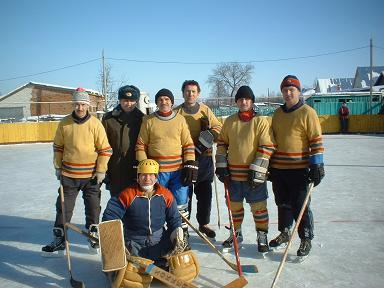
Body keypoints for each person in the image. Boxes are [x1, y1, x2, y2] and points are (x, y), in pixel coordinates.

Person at [102, 159, 199, 287]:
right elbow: (110, 217)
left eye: (151, 175)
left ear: (156, 177)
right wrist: (115, 243)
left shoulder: (166, 195)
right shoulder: (127, 195)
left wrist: (176, 232)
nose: (147, 179)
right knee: (128, 279)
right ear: (138, 177)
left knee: (183, 269)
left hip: (160, 242)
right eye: (143, 175)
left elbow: (174, 219)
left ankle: (159, 266)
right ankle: (134, 269)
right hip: (134, 244)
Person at [42, 88, 112, 256]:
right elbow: (58, 147)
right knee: (64, 208)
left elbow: (105, 150)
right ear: (73, 105)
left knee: (93, 208)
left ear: (87, 105)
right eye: (76, 104)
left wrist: (101, 170)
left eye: (82, 104)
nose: (79, 108)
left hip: (91, 177)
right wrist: (58, 167)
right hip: (69, 176)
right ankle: (60, 238)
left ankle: (93, 235)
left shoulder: (95, 124)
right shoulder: (64, 123)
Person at [269, 75, 325, 258]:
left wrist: (317, 165)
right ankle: (285, 232)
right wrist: (269, 164)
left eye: (291, 90)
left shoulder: (308, 112)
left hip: (299, 169)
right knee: (282, 203)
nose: (287, 93)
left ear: (299, 92)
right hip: (279, 169)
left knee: (300, 206)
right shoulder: (277, 114)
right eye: (284, 90)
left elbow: (315, 140)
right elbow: (271, 141)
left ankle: (305, 238)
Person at [215, 86, 276, 253]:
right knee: (234, 207)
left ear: (252, 101)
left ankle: (262, 235)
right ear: (236, 102)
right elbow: (221, 144)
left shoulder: (261, 121)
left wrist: (257, 169)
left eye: (247, 99)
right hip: (233, 175)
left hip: (254, 176)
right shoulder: (229, 121)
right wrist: (221, 166)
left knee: (259, 207)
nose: (244, 102)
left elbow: (267, 146)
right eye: (240, 99)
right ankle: (236, 234)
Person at [135, 88, 198, 249]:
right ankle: (160, 237)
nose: (164, 102)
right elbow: (141, 145)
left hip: (178, 170)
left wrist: (190, 162)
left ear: (171, 101)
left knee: (181, 203)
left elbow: (188, 144)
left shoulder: (180, 120)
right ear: (156, 102)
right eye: (161, 99)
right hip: (158, 172)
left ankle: (182, 234)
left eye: (167, 99)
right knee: (158, 204)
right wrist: (145, 168)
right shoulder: (148, 120)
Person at [174, 80, 222, 239]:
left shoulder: (205, 110)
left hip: (204, 159)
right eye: (187, 91)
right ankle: (184, 226)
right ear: (183, 93)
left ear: (198, 93)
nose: (190, 94)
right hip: (185, 159)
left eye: (193, 91)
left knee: (204, 195)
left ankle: (203, 224)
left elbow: (218, 128)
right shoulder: (177, 112)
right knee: (184, 195)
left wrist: (209, 135)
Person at [102, 85, 144, 197]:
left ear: (136, 101)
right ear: (120, 100)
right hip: (115, 168)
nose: (128, 104)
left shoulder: (143, 119)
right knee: (117, 203)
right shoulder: (108, 119)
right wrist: (103, 168)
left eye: (132, 100)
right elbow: (102, 145)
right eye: (125, 100)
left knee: (135, 203)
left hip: (135, 167)